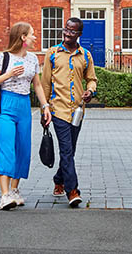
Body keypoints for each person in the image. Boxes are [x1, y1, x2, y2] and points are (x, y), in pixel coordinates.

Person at [0, 22, 51, 210]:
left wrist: (45, 106)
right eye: (32, 34)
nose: (35, 37)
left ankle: (15, 190)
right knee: (7, 148)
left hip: (24, 106)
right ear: (23, 37)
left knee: (23, 149)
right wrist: (9, 74)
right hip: (5, 104)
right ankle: (4, 195)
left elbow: (37, 85)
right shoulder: (4, 57)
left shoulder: (33, 59)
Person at [41, 17, 97, 208]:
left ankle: (58, 179)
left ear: (79, 34)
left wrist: (91, 90)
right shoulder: (52, 53)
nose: (67, 33)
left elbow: (92, 79)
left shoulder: (86, 55)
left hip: (78, 111)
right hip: (58, 110)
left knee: (69, 150)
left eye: (72, 31)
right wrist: (44, 109)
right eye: (66, 29)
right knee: (66, 149)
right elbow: (45, 83)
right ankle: (72, 191)